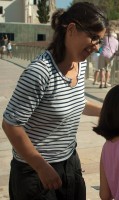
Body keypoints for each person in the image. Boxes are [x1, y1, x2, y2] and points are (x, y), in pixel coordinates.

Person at [2, 2, 109, 200]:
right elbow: (11, 124)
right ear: (71, 30)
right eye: (93, 37)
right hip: (34, 173)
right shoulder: (40, 72)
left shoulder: (80, 65)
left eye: (100, 40)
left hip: (69, 165)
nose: (97, 47)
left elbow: (74, 102)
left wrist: (107, 111)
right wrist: (41, 166)